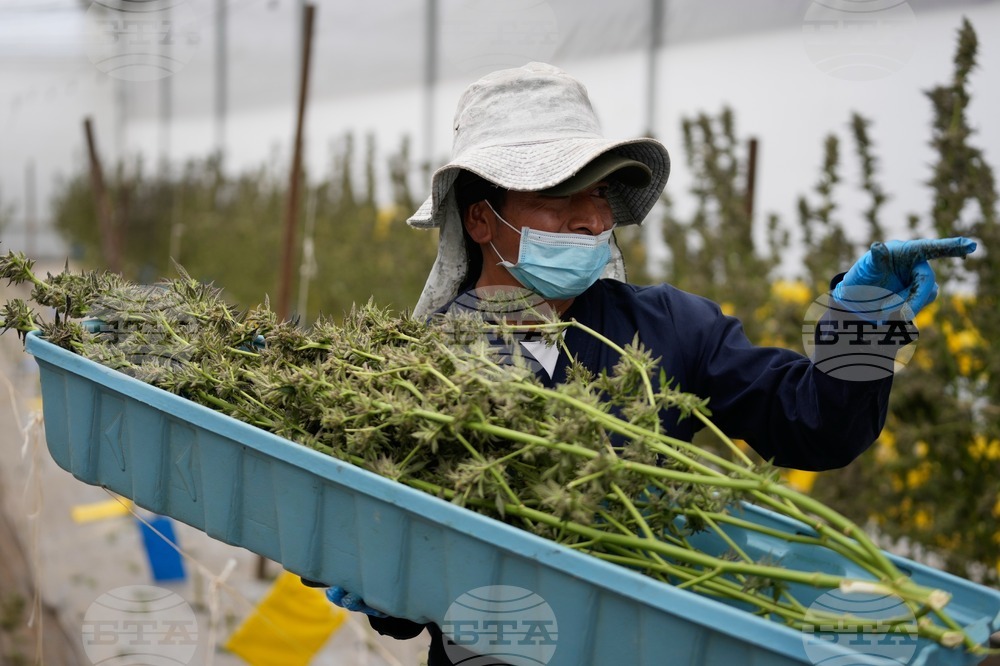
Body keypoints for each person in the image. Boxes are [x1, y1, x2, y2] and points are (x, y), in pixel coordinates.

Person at [310, 62, 976, 665]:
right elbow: (404, 574)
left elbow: (819, 426)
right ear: (482, 220)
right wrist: (379, 576)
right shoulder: (412, 372)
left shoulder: (671, 329)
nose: (588, 218)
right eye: (557, 195)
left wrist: (859, 322)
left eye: (598, 194)